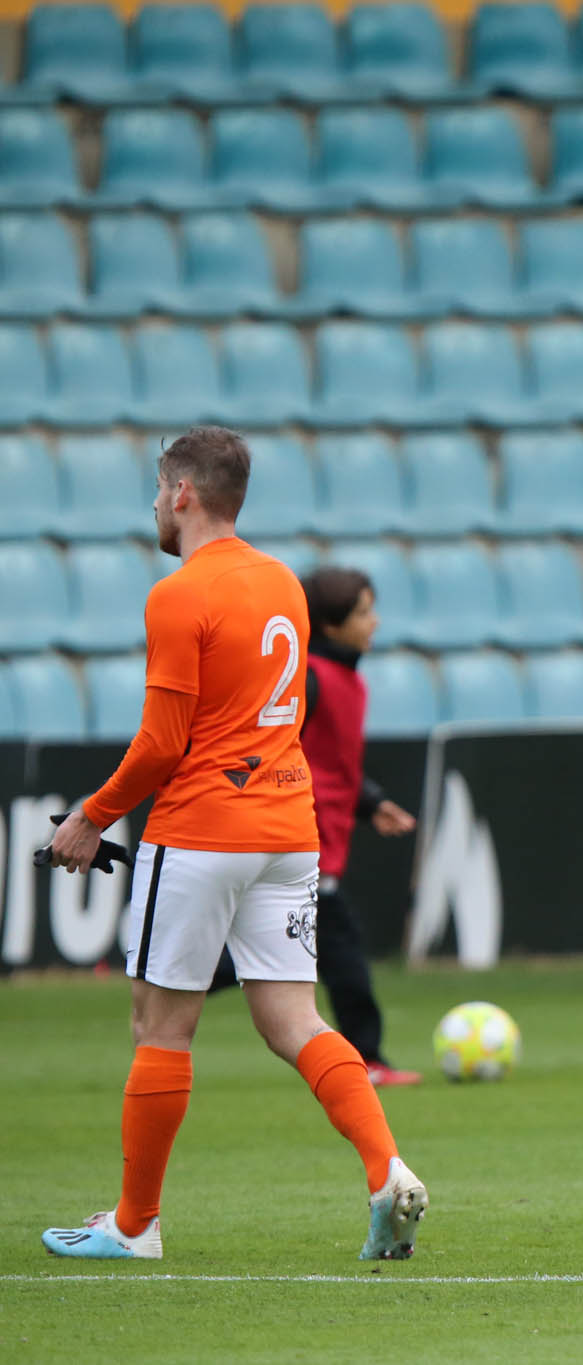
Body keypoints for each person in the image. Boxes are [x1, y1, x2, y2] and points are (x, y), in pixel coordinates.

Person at [40, 426, 427, 1262]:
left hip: (202, 832)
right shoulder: (280, 581)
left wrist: (91, 816)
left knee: (159, 1026)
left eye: (157, 485)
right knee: (294, 1017)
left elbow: (161, 744)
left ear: (183, 492)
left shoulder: (177, 594)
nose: (152, 500)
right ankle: (384, 1166)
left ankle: (135, 1226)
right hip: (289, 834)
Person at [297, 566, 422, 1087]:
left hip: (323, 845)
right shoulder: (307, 677)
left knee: (262, 956)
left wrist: (370, 803)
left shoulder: (346, 679)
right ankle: (366, 1059)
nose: (375, 621)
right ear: (329, 624)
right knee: (338, 949)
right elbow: (281, 751)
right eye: (363, 612)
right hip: (299, 846)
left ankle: (367, 1058)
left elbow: (333, 762)